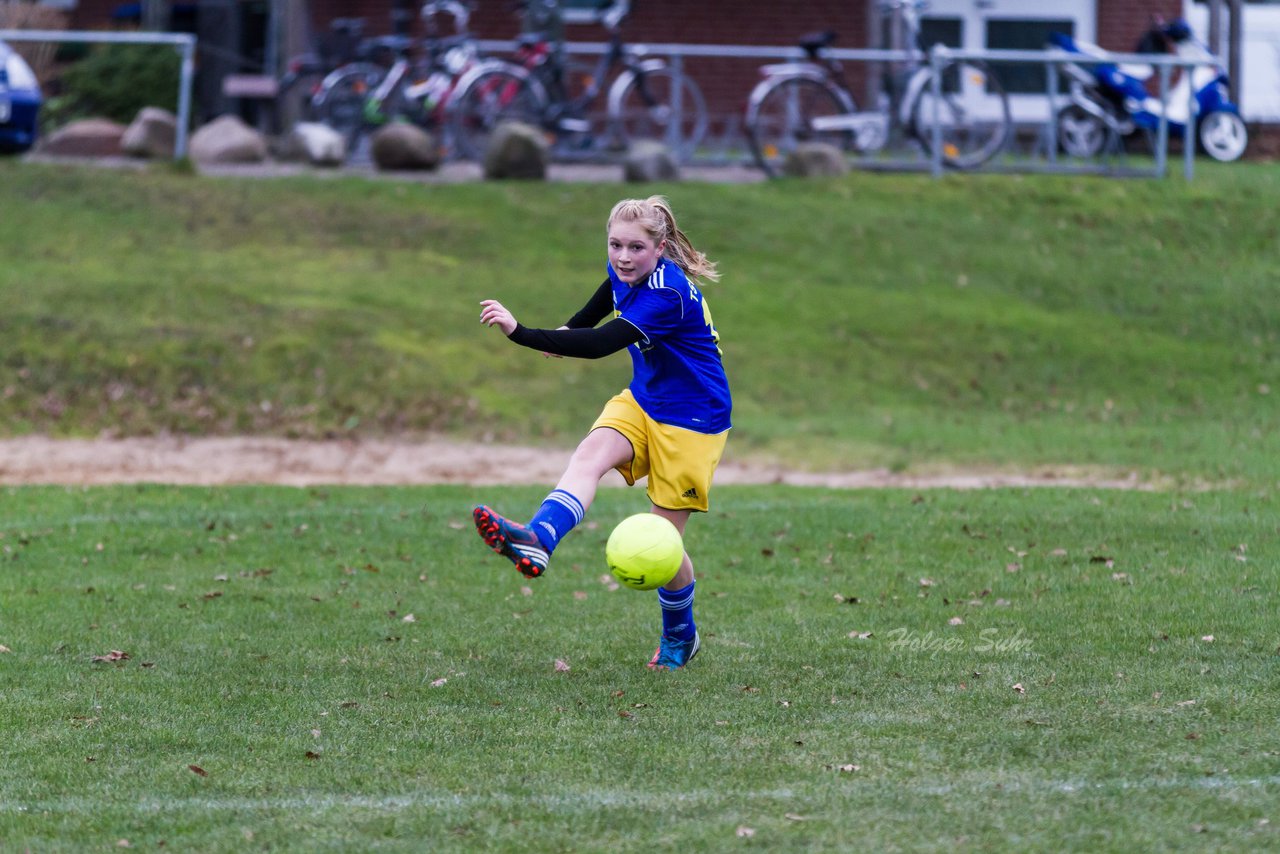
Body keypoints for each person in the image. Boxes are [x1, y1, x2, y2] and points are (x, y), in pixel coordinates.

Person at [473, 195, 731, 671]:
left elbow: (600, 345)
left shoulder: (668, 293)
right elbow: (602, 301)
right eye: (615, 244)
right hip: (645, 399)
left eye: (636, 247)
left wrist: (523, 332)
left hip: (694, 420)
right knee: (590, 455)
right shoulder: (626, 271)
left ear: (661, 247)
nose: (623, 257)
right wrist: (568, 328)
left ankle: (681, 635)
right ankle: (539, 538)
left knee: (661, 543)